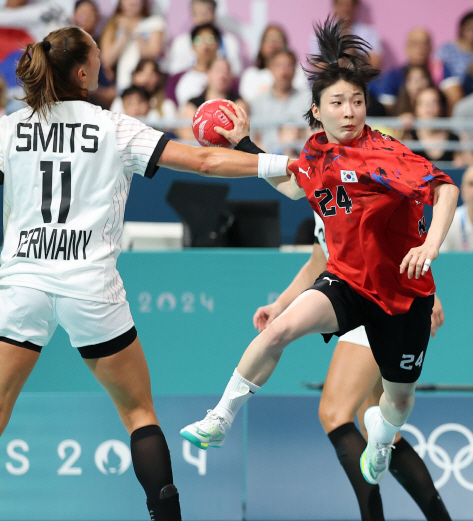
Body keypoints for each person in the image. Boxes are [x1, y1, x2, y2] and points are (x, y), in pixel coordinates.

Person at [0, 25, 292, 520]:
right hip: (91, 286)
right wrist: (289, 163)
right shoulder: (114, 126)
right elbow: (201, 160)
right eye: (98, 56)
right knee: (138, 413)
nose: (103, 64)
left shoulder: (11, 126)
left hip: (22, 282)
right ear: (83, 72)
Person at [180, 18, 460, 491]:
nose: (350, 111)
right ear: (317, 110)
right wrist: (244, 146)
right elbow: (293, 187)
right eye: (338, 103)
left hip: (402, 294)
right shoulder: (316, 154)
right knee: (281, 328)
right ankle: (219, 417)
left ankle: (384, 440)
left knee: (398, 400)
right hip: (348, 281)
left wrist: (430, 245)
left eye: (357, 101)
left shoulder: (384, 154)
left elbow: (445, 187)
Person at [219, 104, 450, 520]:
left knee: (338, 412)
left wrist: (429, 294)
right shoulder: (320, 180)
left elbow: (404, 229)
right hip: (352, 295)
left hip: (384, 301)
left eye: (355, 105)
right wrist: (281, 304)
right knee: (371, 418)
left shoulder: (371, 170)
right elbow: (317, 261)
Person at [249, 48, 310, 154]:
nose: (284, 71)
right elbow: (254, 140)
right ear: (270, 69)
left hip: (302, 160)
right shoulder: (258, 102)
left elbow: (316, 133)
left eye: (289, 65)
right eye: (279, 65)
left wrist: (300, 135)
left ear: (295, 69)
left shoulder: (308, 99)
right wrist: (278, 138)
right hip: (268, 161)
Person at [99, 0, 166, 94]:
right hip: (123, 85)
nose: (132, 2)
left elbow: (152, 56)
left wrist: (134, 31)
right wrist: (124, 35)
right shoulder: (113, 24)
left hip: (147, 87)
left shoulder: (154, 22)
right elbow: (107, 60)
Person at [164, 0, 242, 77]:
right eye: (197, 14)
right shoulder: (181, 43)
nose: (202, 19)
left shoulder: (229, 41)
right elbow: (175, 73)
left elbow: (236, 72)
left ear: (214, 14)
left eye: (205, 14)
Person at [374, 28, 441, 112]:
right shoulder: (393, 75)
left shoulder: (440, 70)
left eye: (425, 43)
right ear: (406, 47)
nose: (420, 48)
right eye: (415, 43)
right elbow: (387, 109)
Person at [177, 56, 243, 141]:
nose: (223, 75)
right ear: (208, 73)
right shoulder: (192, 104)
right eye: (218, 71)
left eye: (227, 71)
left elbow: (241, 133)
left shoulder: (238, 104)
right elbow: (185, 134)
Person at [435, 10, 473, 113]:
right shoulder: (447, 49)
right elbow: (437, 69)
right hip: (450, 91)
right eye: (471, 28)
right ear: (462, 28)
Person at [238, 25, 308, 104]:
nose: (273, 43)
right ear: (261, 45)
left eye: (278, 38)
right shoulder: (251, 74)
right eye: (268, 38)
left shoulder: (297, 70)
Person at [406, 86, 466, 167]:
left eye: (434, 102)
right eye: (423, 103)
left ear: (441, 107)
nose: (428, 107)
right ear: (416, 109)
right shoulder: (408, 137)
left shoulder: (454, 138)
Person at [111, 58, 178, 120]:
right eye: (142, 72)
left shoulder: (166, 105)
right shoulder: (120, 100)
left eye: (152, 74)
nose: (147, 78)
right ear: (134, 76)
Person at [174, 23, 222, 108]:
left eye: (210, 39)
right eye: (199, 40)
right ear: (193, 46)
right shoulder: (181, 79)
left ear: (218, 44)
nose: (205, 45)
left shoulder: (226, 79)